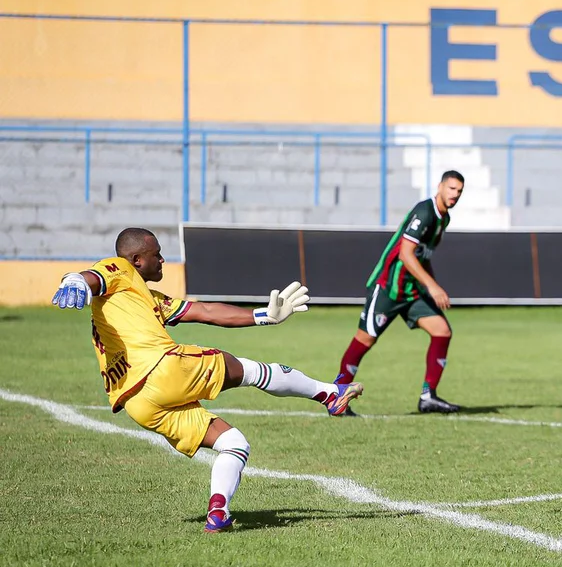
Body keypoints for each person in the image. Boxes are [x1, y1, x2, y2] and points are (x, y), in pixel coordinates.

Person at [51, 227, 363, 533]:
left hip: (137, 403)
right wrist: (75, 279)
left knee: (234, 444)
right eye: (156, 255)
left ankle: (218, 512)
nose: (162, 260)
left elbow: (205, 311)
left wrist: (263, 316)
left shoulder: (143, 296)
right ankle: (328, 395)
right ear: (136, 259)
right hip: (162, 368)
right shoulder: (119, 267)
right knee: (251, 371)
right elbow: (93, 276)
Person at [335, 170, 464, 414]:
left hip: (411, 293)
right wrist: (433, 286)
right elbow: (405, 253)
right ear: (440, 187)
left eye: (459, 191)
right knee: (364, 340)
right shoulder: (425, 212)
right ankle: (337, 398)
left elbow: (422, 257)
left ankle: (428, 397)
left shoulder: (443, 219)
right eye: (451, 189)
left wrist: (430, 286)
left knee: (442, 331)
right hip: (388, 288)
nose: (454, 195)